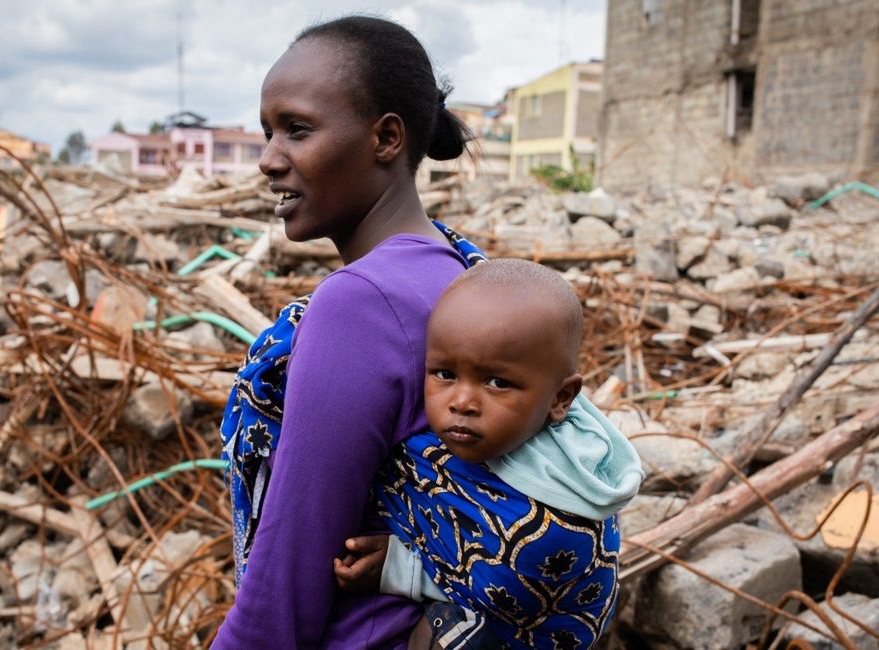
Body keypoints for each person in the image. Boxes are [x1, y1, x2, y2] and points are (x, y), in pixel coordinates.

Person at [214, 15, 485, 648]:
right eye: (267, 132)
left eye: (297, 130)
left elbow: (288, 580)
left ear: (386, 138)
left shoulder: (361, 303)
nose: (268, 160)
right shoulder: (454, 266)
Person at [335, 259, 645, 649]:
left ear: (561, 397)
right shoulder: (487, 433)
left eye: (498, 382)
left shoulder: (553, 524)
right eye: (444, 374)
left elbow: (495, 586)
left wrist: (400, 567)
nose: (462, 402)